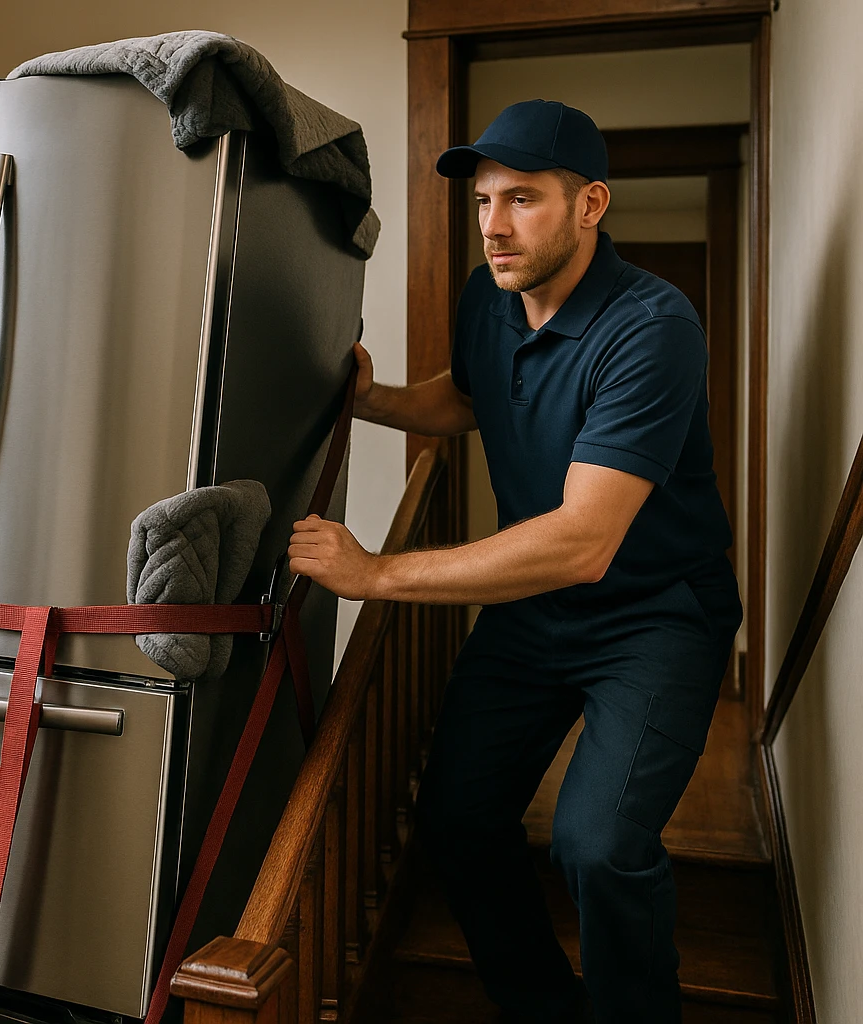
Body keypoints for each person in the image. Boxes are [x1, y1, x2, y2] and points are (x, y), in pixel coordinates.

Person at [289, 100, 741, 1023]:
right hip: (537, 614)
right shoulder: (486, 295)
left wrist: (376, 573)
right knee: (456, 818)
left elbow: (582, 540)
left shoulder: (654, 327)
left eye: (523, 198)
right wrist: (374, 402)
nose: (494, 224)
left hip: (655, 616)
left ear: (590, 205)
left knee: (599, 843)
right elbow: (470, 397)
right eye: (486, 199)